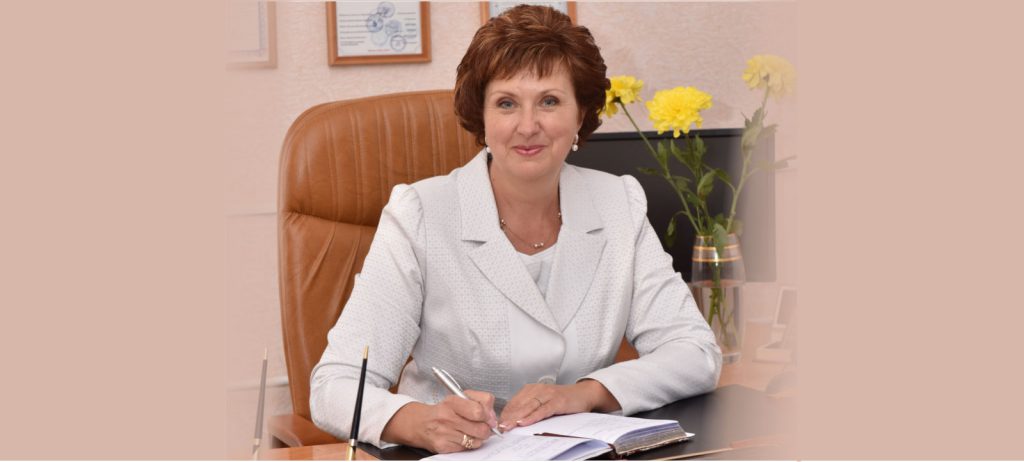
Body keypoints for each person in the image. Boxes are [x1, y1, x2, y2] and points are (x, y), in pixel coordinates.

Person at [309, 5, 721, 454]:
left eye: (549, 101)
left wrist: (585, 393)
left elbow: (694, 352)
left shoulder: (617, 202)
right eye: (506, 103)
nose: (528, 126)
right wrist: (419, 423)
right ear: (482, 117)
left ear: (580, 114)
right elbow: (334, 385)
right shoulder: (420, 215)